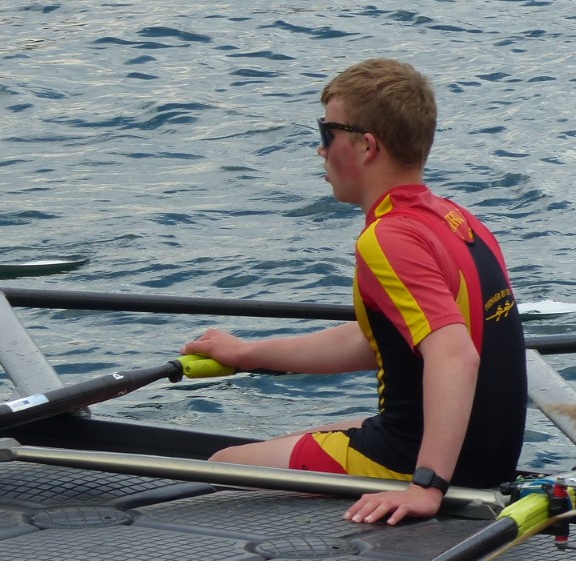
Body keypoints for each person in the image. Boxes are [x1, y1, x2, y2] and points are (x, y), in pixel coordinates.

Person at [184, 59, 526, 525]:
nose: (320, 150)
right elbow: (381, 340)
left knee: (223, 466)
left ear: (366, 145)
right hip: (488, 457)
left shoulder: (389, 237)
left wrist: (427, 487)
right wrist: (246, 354)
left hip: (423, 463)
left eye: (327, 134)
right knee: (315, 434)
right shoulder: (457, 220)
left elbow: (454, 355)